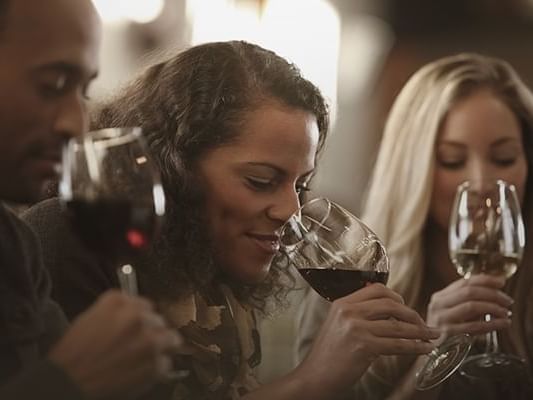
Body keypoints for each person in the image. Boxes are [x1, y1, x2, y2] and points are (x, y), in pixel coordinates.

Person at [22, 40, 439, 400]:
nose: (292, 211)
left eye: (301, 184)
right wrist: (311, 381)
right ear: (175, 167)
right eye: (260, 181)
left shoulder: (209, 270)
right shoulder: (67, 239)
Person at [296, 52, 533, 399]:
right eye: (451, 161)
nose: (482, 182)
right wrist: (436, 352)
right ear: (411, 171)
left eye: (504, 158)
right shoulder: (347, 288)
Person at [0, 0, 182, 399]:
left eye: (83, 91)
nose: (75, 124)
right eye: (53, 85)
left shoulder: (13, 244)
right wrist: (68, 383)